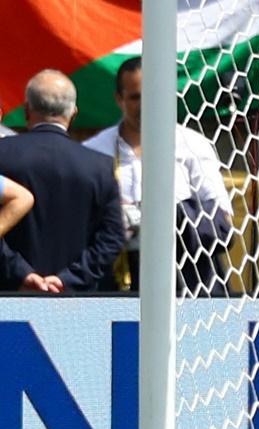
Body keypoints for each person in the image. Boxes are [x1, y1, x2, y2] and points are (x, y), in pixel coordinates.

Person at [83, 57, 235, 294]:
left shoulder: (192, 144)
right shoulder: (95, 150)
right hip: (115, 278)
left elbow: (222, 218)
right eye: (135, 97)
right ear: (119, 100)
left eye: (153, 94)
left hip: (189, 278)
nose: (146, 105)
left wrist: (168, 216)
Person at [0, 70, 125, 293]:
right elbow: (112, 238)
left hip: (7, 296)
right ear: (73, 113)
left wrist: (20, 272)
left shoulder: (3, 155)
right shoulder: (101, 167)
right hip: (75, 305)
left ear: (27, 109)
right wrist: (68, 279)